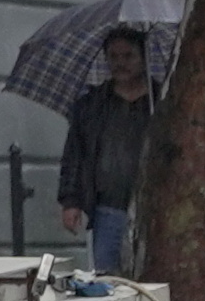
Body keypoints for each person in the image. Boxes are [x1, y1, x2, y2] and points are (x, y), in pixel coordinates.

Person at [55, 25, 156, 276]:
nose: (120, 63)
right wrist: (71, 202)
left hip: (154, 209)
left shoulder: (161, 100)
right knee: (107, 281)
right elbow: (74, 156)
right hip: (108, 211)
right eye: (113, 57)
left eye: (128, 56)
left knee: (153, 279)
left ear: (144, 59)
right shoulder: (91, 106)